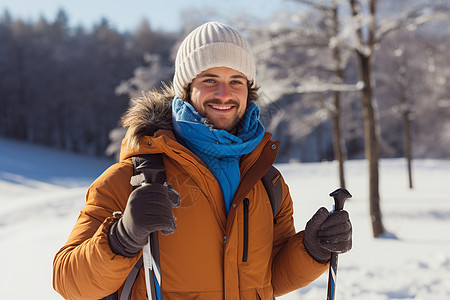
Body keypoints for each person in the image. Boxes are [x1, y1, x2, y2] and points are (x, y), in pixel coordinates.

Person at [53, 21, 352, 300]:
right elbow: (67, 279)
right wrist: (121, 238)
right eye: (210, 79)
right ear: (186, 89)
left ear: (249, 91)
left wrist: (312, 251)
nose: (224, 94)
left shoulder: (267, 182)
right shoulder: (134, 179)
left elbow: (270, 277)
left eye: (236, 81)